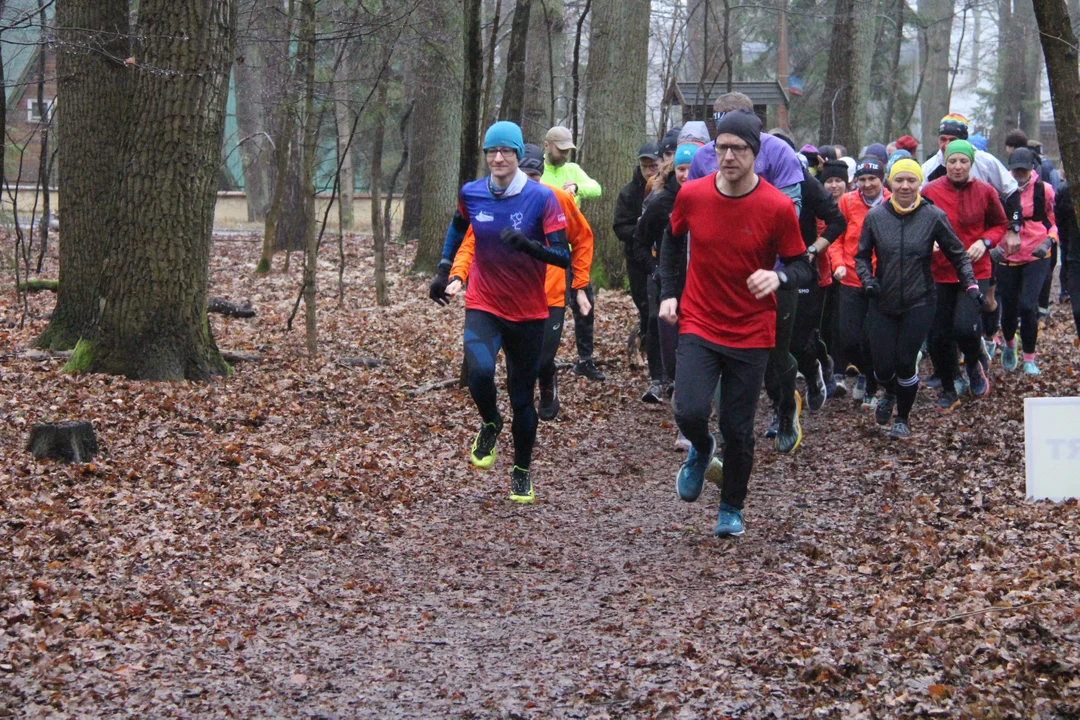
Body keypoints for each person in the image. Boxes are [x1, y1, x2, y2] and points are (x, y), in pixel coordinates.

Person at [659, 110, 812, 538]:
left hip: (750, 330)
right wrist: (670, 292)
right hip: (700, 321)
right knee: (688, 409)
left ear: (754, 153)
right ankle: (701, 448)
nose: (727, 156)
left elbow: (802, 267)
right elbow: (671, 243)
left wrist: (778, 276)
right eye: (721, 147)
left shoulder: (777, 206)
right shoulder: (692, 195)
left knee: (738, 429)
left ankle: (730, 507)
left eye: (738, 149)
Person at [428, 121, 570, 504]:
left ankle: (521, 470)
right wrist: (444, 270)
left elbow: (563, 256)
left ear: (518, 157)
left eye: (506, 151)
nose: (498, 158)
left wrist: (529, 246)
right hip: (484, 303)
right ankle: (491, 423)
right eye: (492, 151)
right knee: (479, 374)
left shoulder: (542, 199)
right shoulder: (472, 193)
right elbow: (458, 228)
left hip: (528, 313)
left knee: (522, 399)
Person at [686, 93, 805, 453]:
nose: (727, 150)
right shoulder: (705, 156)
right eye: (719, 126)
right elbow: (692, 215)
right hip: (717, 281)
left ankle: (786, 406)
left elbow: (793, 208)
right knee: (718, 355)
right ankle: (726, 437)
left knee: (775, 356)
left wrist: (767, 263)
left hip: (772, 274)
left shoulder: (779, 153)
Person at [448, 144, 594, 422]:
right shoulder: (494, 199)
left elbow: (583, 239)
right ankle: (515, 421)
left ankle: (547, 379)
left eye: (533, 176)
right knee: (512, 367)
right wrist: (458, 274)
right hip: (503, 297)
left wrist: (580, 285)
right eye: (523, 174)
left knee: (541, 360)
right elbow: (470, 241)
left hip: (549, 295)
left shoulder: (554, 199)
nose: (526, 182)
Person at [855, 159, 977, 440]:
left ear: (919, 183)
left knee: (905, 362)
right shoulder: (876, 217)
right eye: (900, 180)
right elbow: (861, 256)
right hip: (882, 300)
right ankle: (889, 392)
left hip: (919, 300)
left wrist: (970, 284)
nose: (906, 186)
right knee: (883, 367)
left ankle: (902, 418)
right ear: (890, 184)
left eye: (911, 180)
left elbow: (958, 254)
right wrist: (868, 280)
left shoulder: (932, 216)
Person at [921, 140, 1007, 410]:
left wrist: (986, 242)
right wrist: (928, 241)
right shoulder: (929, 191)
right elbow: (918, 223)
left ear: (971, 164)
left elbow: (1001, 224)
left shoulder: (985, 191)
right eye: (952, 161)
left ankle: (973, 362)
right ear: (944, 163)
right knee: (939, 335)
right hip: (939, 270)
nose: (957, 167)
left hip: (975, 268)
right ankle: (949, 386)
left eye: (963, 162)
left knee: (965, 326)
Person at [633, 144, 695, 401]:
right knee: (659, 328)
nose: (685, 175)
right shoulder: (661, 204)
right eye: (681, 169)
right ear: (673, 170)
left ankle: (686, 383)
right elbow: (638, 244)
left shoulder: (710, 200)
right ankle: (660, 380)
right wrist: (656, 270)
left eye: (691, 169)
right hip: (665, 280)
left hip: (698, 282)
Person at [542, 126, 604, 381]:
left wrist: (577, 187)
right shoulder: (539, 172)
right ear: (547, 146)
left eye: (569, 149)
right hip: (546, 253)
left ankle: (585, 360)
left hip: (574, 251)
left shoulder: (573, 170)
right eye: (561, 149)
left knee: (585, 305)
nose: (565, 154)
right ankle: (544, 360)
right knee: (548, 308)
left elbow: (597, 188)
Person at [829, 157, 890, 407]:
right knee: (850, 339)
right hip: (851, 278)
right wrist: (838, 263)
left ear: (881, 179)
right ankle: (865, 372)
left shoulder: (892, 201)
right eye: (862, 179)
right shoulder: (847, 201)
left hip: (882, 280)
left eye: (872, 179)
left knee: (875, 338)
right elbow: (836, 238)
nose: (867, 184)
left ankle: (873, 386)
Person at [994, 147, 1057, 375]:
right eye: (1016, 170)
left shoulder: (1045, 190)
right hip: (1007, 255)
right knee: (1009, 311)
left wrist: (1049, 241)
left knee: (1028, 306)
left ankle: (1029, 358)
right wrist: (992, 246)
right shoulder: (1000, 191)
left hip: (1036, 253)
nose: (1020, 174)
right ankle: (1010, 343)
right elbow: (991, 221)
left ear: (1032, 169)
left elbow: (1053, 220)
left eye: (1024, 170)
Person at [614, 141, 663, 374]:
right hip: (636, 259)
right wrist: (640, 231)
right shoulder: (628, 192)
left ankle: (659, 356)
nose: (649, 171)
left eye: (653, 166)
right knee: (644, 306)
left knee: (658, 311)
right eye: (645, 166)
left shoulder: (667, 189)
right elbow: (619, 227)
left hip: (662, 258)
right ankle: (641, 344)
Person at [921, 114, 1018, 199]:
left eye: (952, 140)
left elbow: (1011, 189)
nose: (946, 145)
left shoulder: (985, 161)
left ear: (964, 140)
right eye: (943, 139)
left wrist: (1014, 218)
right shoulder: (928, 168)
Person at [819, 159, 851, 397]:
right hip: (821, 271)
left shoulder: (852, 205)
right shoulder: (818, 206)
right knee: (824, 321)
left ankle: (840, 367)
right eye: (829, 181)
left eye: (838, 180)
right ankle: (824, 366)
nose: (833, 185)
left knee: (841, 322)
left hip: (846, 271)